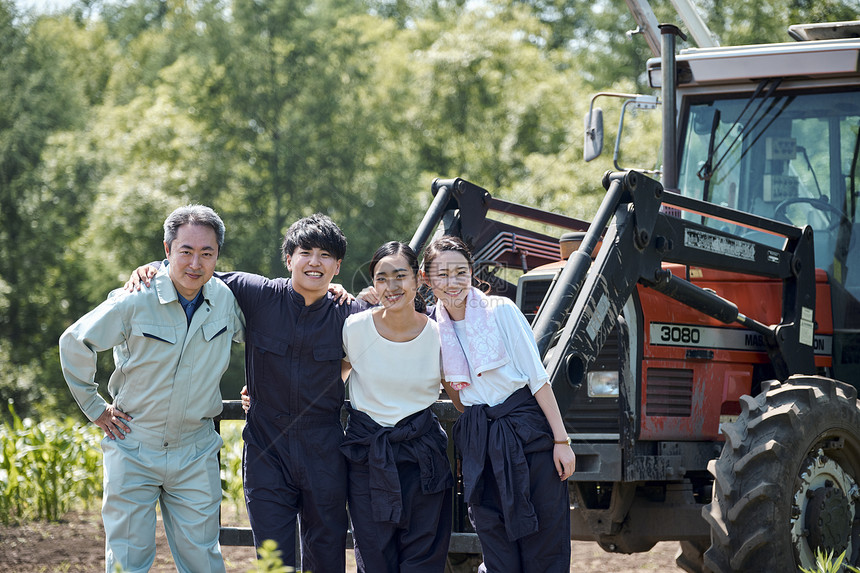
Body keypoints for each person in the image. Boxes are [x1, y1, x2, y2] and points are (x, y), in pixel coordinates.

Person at [128, 213, 367, 572]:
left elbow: (398, 321)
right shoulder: (258, 294)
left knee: (327, 552)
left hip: (325, 450)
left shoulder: (351, 313)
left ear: (337, 266)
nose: (314, 262)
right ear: (289, 259)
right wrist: (151, 268)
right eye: (305, 252)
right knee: (272, 556)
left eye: (325, 255)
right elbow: (196, 270)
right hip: (266, 450)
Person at [59, 205, 245, 573]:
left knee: (204, 561)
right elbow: (74, 342)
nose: (196, 263)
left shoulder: (227, 299)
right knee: (129, 561)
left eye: (206, 253)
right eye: (186, 251)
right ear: (167, 249)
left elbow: (268, 337)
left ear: (217, 255)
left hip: (195, 451)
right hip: (133, 445)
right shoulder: (135, 297)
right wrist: (96, 408)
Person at [422, 235, 575, 573]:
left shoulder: (501, 311)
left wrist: (562, 441)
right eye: (442, 274)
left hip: (528, 434)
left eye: (460, 272)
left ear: (472, 273)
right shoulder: (433, 330)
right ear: (427, 279)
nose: (452, 282)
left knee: (544, 542)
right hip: (480, 442)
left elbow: (538, 379)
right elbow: (461, 402)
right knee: (496, 545)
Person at [339, 241, 453, 572]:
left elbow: (464, 389)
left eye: (400, 276)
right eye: (382, 278)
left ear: (417, 279)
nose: (392, 287)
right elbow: (328, 380)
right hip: (368, 458)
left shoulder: (439, 333)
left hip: (424, 456)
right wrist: (260, 392)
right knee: (374, 558)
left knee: (425, 555)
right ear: (373, 284)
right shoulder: (354, 328)